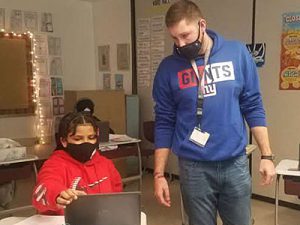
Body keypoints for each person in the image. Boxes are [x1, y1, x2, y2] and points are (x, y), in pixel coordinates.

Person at [152, 1, 275, 225]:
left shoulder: (236, 53)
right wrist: (159, 174)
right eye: (174, 38)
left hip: (234, 163)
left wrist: (266, 155)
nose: (180, 44)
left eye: (185, 35)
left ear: (202, 24)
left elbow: (253, 105)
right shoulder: (168, 68)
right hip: (193, 167)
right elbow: (164, 122)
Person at [32, 112, 122, 215]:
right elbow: (43, 189)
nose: (86, 142)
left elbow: (117, 194)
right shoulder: (55, 164)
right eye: (78, 139)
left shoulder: (106, 164)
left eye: (91, 137)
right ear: (64, 141)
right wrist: (57, 195)